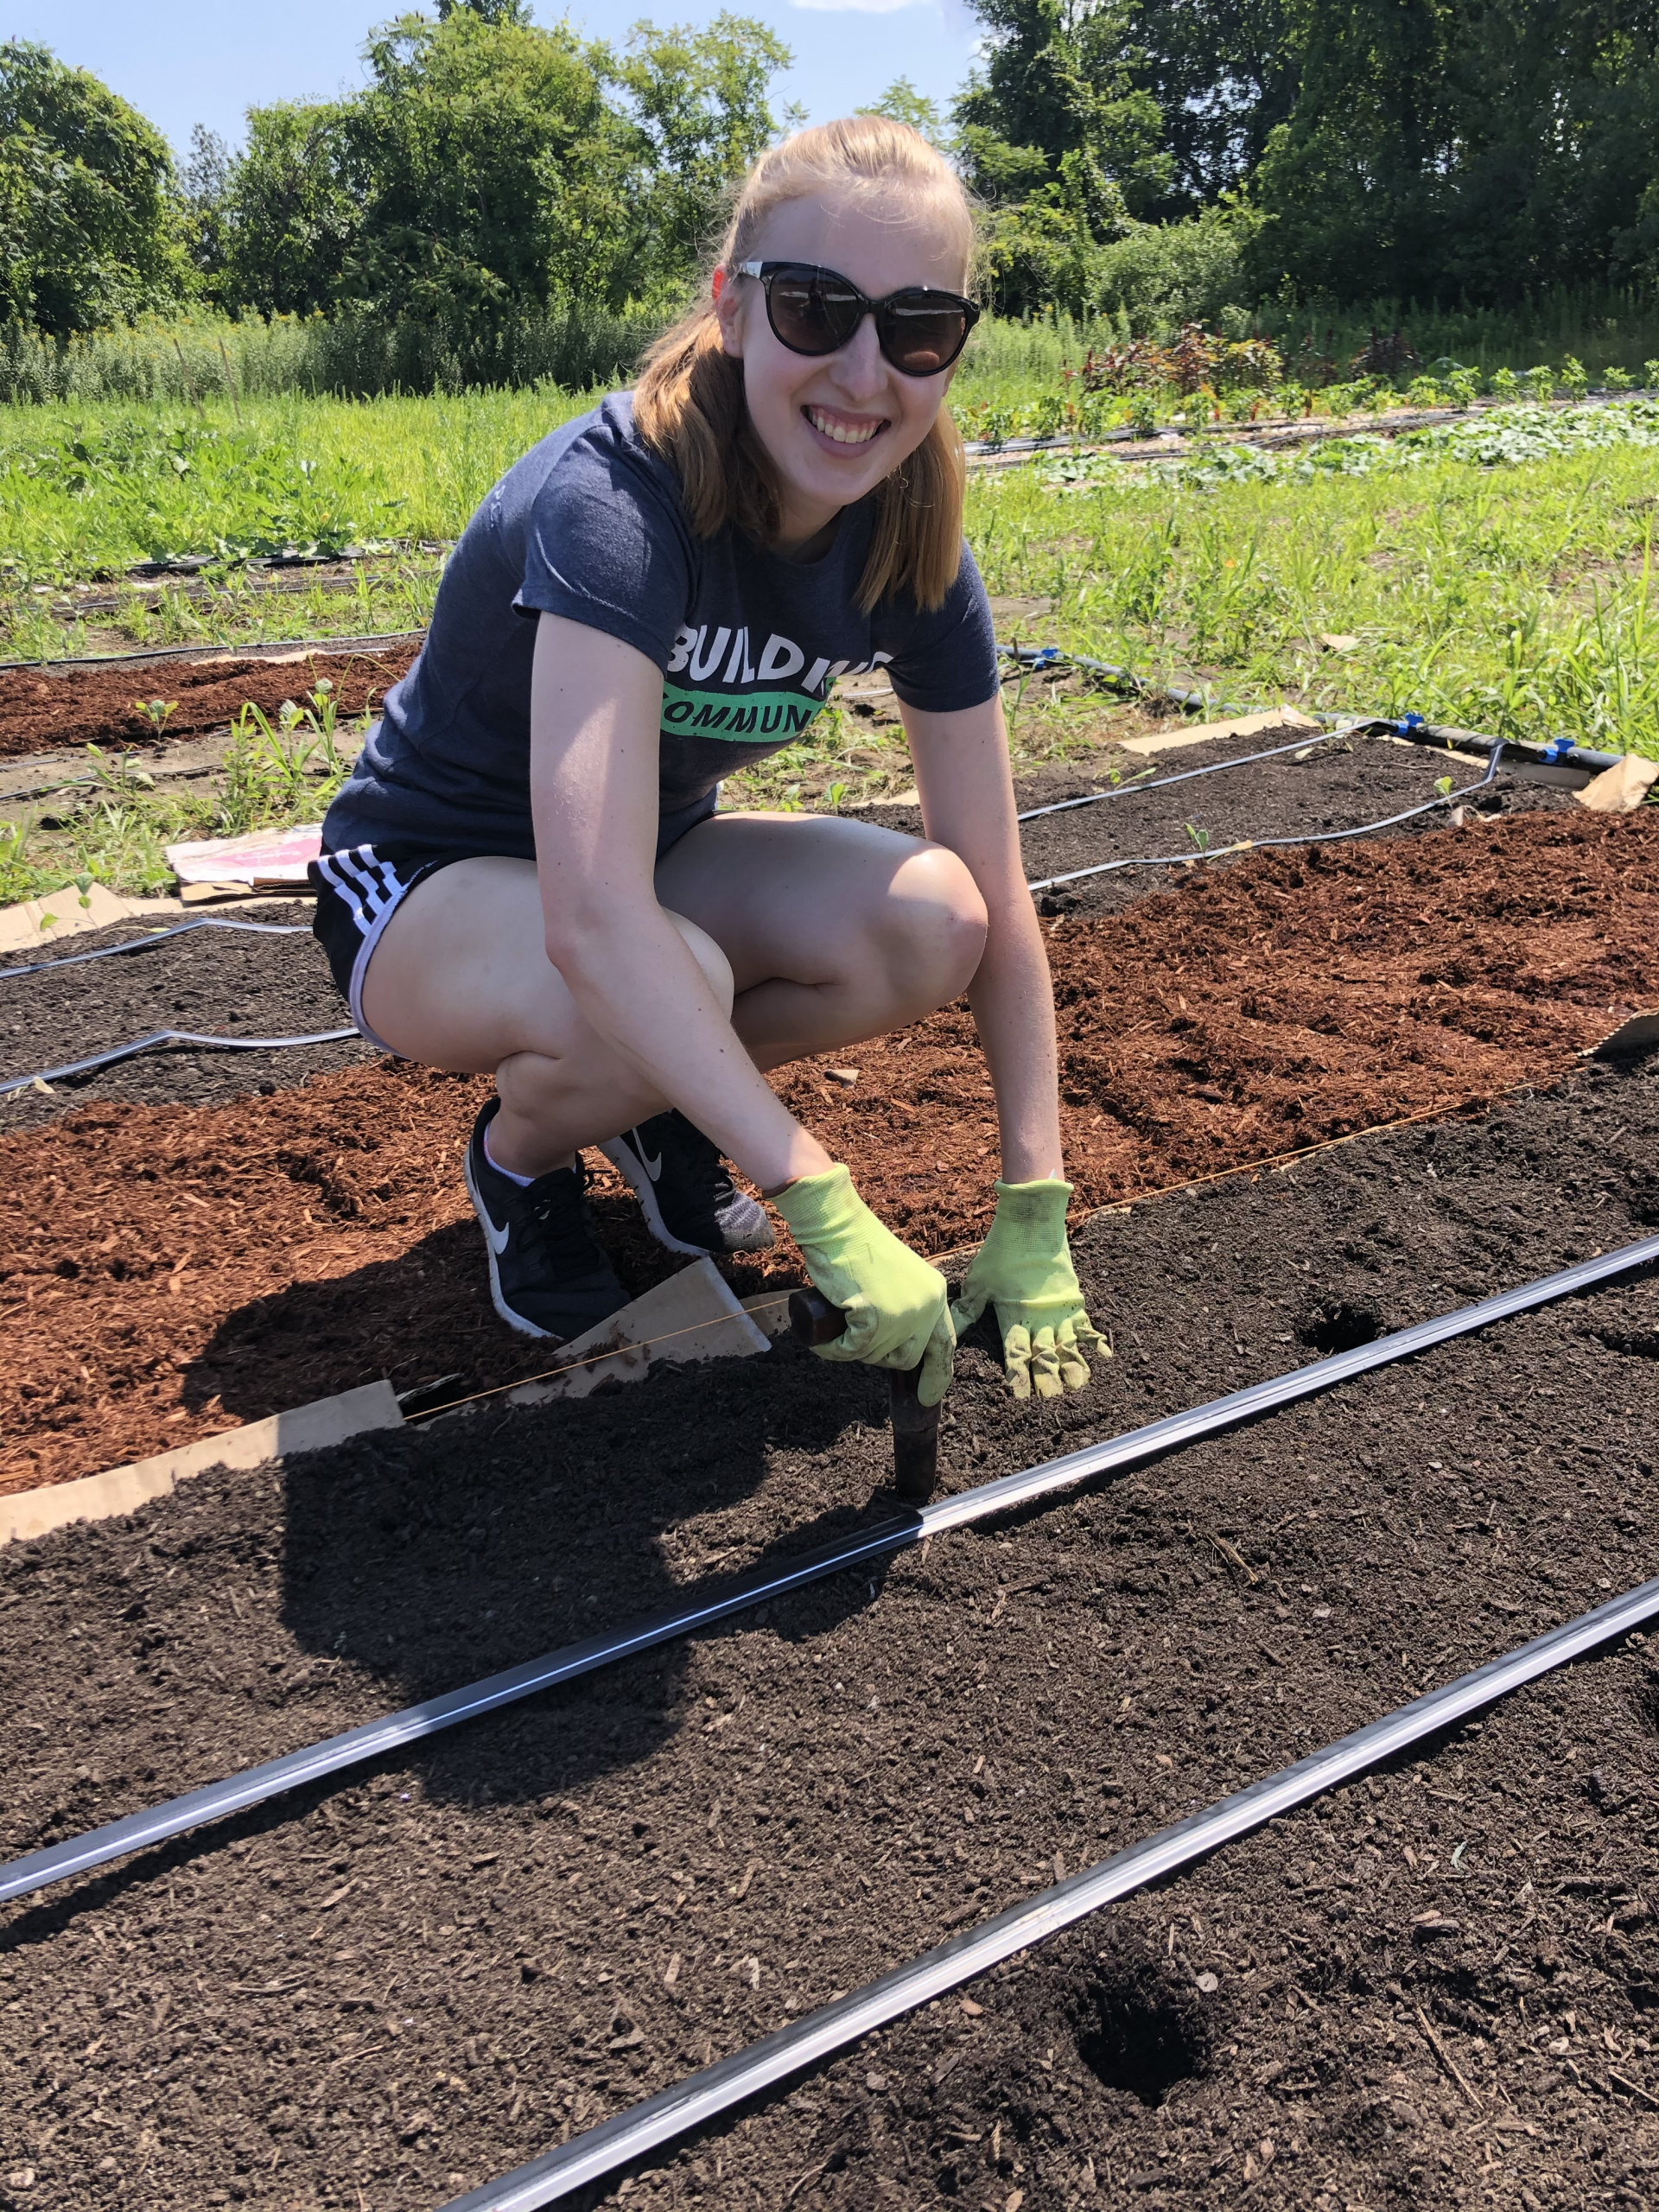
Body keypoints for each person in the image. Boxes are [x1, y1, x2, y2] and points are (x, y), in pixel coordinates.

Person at [310, 115, 1107, 1408]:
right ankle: (524, 1158)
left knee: (932, 919)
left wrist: (1037, 1198)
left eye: (916, 330)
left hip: (644, 868)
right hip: (421, 881)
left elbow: (1002, 895)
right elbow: (593, 917)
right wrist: (820, 1198)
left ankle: (647, 1096)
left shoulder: (910, 541)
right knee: (656, 966)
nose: (864, 373)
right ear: (733, 308)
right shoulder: (618, 500)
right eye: (813, 309)